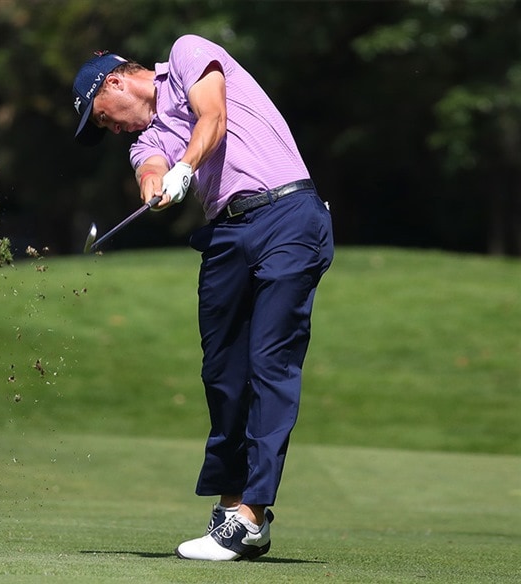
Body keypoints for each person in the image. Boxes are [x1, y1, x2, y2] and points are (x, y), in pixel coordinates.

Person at [71, 35, 334, 561]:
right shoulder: (144, 140)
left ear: (116, 80)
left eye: (102, 116)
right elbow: (148, 167)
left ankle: (253, 516)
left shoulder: (188, 55)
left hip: (287, 214)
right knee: (222, 373)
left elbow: (211, 117)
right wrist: (156, 186)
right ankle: (231, 508)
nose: (111, 128)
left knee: (269, 361)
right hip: (227, 236)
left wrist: (186, 166)